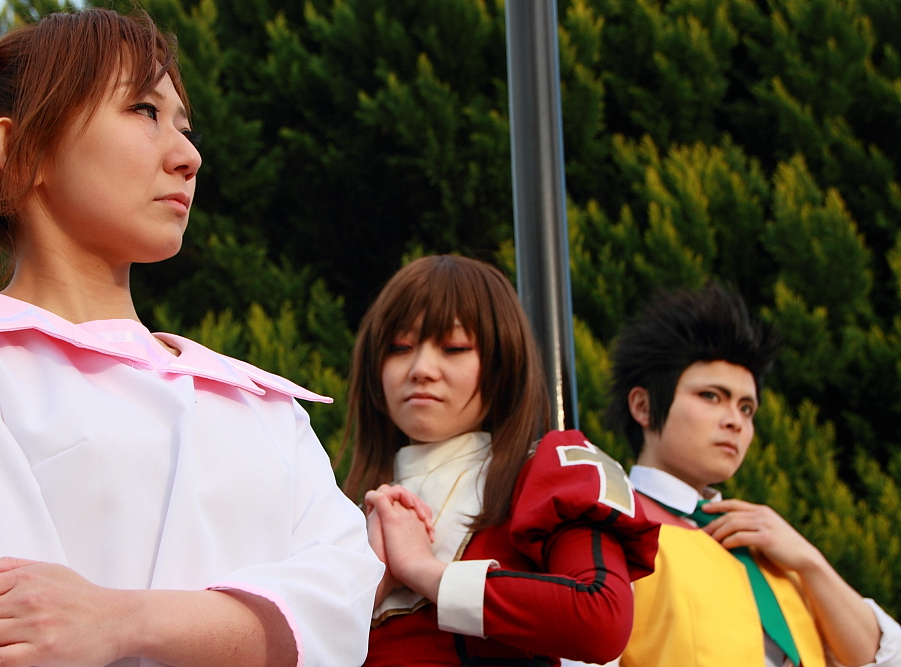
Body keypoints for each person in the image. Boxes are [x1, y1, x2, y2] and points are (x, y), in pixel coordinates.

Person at [0, 10, 382, 667]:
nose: (189, 156)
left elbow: (344, 610)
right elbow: (10, 627)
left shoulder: (260, 400)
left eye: (185, 126)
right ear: (20, 150)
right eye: (144, 110)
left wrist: (124, 621)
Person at [341, 254, 660, 666]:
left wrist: (423, 570)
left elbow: (600, 619)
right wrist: (362, 594)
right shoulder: (335, 511)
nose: (421, 369)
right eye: (399, 348)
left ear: (502, 364)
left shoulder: (547, 471)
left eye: (454, 348)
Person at [589, 283, 901, 667]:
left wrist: (810, 562)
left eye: (746, 408)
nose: (735, 421)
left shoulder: (773, 548)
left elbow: (886, 660)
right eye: (711, 396)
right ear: (643, 405)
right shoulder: (609, 528)